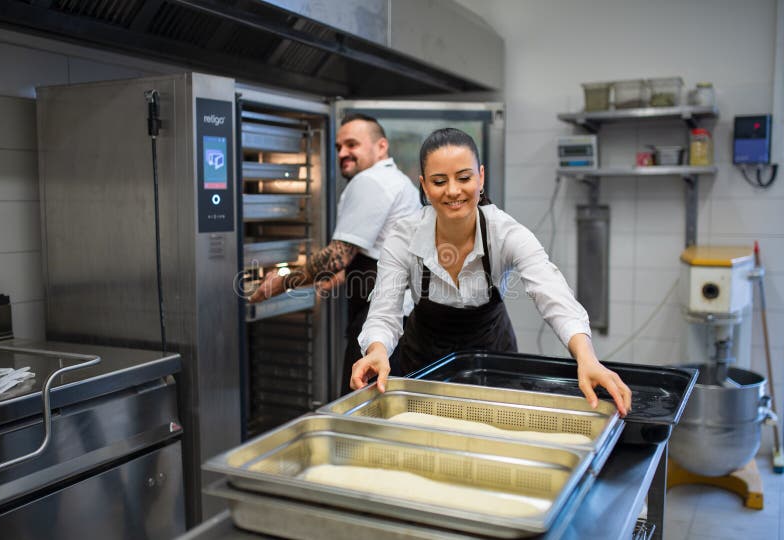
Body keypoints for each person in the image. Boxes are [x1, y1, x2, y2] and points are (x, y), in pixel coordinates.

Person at [351, 128, 632, 415]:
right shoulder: (403, 237)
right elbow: (384, 313)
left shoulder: (505, 234)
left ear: (480, 177)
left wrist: (587, 358)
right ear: (423, 185)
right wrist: (377, 350)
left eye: (464, 178)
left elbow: (554, 296)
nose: (452, 191)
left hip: (493, 363)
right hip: (424, 368)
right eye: (439, 181)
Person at [249, 113, 421, 393]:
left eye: (352, 144)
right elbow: (374, 251)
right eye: (339, 147)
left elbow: (338, 255)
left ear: (381, 147)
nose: (343, 153)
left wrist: (282, 283)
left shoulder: (371, 182)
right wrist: (336, 277)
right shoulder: (397, 182)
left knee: (360, 406)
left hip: (379, 320)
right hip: (400, 320)